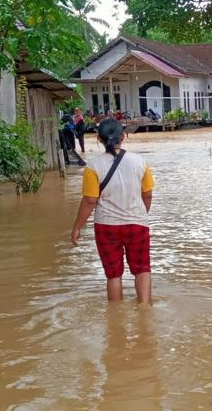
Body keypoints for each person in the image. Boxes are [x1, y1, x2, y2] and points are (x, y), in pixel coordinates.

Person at [71, 118, 155, 303]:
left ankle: (116, 319)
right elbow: (147, 195)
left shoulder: (93, 166)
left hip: (106, 226)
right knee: (142, 269)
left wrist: (77, 227)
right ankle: (145, 310)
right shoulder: (140, 162)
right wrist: (141, 215)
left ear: (99, 139)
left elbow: (90, 200)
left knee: (113, 274)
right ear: (123, 137)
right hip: (137, 224)